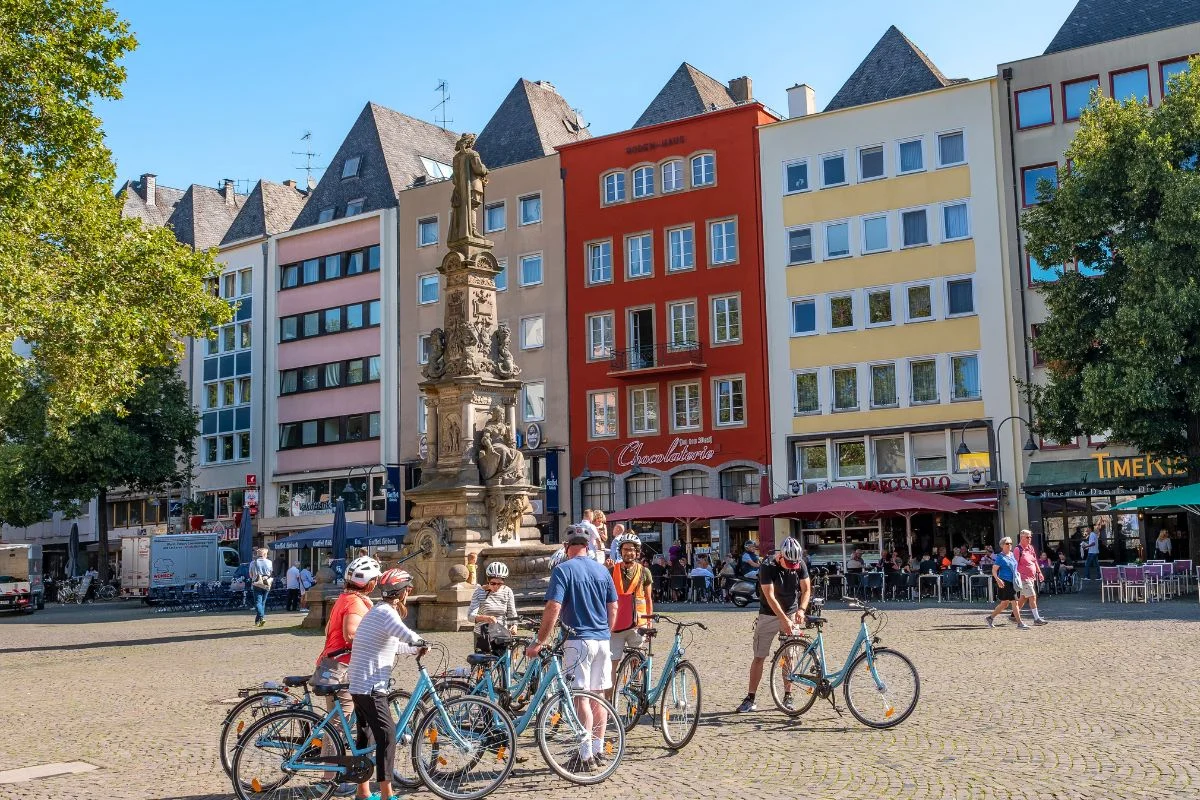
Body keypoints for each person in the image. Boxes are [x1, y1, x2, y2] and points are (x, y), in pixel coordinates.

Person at [527, 526, 617, 772]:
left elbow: (553, 607)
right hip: (602, 640)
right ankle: (598, 749)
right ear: (587, 546)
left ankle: (585, 754)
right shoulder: (602, 570)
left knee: (580, 697)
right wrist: (606, 632)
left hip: (578, 641)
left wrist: (540, 641)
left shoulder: (563, 570)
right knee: (598, 696)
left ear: (567, 547)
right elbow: (614, 607)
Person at [348, 568, 426, 800]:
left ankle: (362, 793)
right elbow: (404, 633)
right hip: (371, 686)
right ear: (403, 592)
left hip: (359, 684)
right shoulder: (386, 613)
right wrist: (420, 640)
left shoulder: (378, 611)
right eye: (408, 590)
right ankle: (386, 794)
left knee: (366, 737)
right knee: (388, 735)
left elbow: (394, 644)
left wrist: (415, 648)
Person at [737, 537, 811, 713]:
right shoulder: (767, 565)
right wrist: (783, 619)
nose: (792, 566)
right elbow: (770, 596)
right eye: (788, 563)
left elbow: (806, 589)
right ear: (781, 556)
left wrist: (801, 610)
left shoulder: (799, 563)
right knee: (759, 656)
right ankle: (750, 697)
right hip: (768, 614)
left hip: (792, 611)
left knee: (789, 656)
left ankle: (788, 695)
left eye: (795, 564)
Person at [608, 533, 653, 700]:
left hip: (637, 624)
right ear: (620, 551)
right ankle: (609, 701)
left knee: (637, 662)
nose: (628, 553)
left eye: (632, 550)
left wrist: (648, 623)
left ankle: (636, 696)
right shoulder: (612, 570)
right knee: (612, 663)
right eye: (625, 549)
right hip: (616, 625)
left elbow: (648, 599)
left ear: (637, 552)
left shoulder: (645, 572)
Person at [468, 561, 518, 654]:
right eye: (493, 583)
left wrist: (514, 626)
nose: (496, 586)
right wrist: (486, 618)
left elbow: (512, 613)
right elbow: (470, 616)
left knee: (503, 664)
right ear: (488, 580)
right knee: (483, 664)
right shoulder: (479, 592)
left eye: (500, 584)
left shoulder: (507, 592)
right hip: (483, 634)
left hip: (501, 634)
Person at [984, 537, 1027, 630]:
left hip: (1013, 582)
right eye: (1007, 543)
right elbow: (994, 570)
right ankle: (1020, 623)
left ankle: (990, 618)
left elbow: (1015, 567)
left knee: (1004, 604)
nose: (1010, 545)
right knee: (1015, 602)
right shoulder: (1000, 557)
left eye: (1011, 543)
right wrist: (997, 579)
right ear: (1002, 545)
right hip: (1005, 582)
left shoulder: (1011, 555)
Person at [1013, 530, 1048, 625]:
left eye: (1030, 537)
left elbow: (1035, 561)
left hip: (1031, 577)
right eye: (1027, 537)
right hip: (1023, 577)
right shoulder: (1017, 549)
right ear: (1022, 537)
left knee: (1024, 597)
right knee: (1032, 596)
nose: (1029, 539)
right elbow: (1014, 564)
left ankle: (1013, 615)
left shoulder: (1031, 548)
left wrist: (1039, 572)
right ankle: (1037, 619)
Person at [248, 547, 273, 627]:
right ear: (265, 554)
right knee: (263, 603)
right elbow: (270, 572)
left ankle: (261, 618)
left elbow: (250, 574)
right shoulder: (269, 562)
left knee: (258, 602)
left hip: (257, 583)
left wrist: (254, 577)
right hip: (266, 583)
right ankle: (258, 620)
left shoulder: (253, 563)